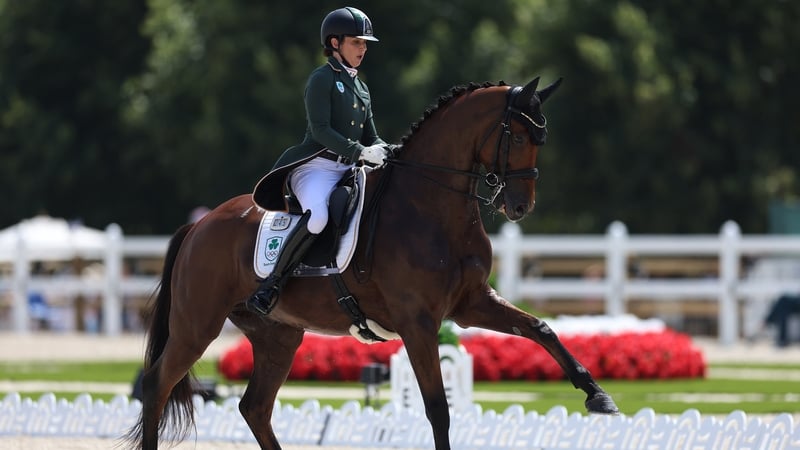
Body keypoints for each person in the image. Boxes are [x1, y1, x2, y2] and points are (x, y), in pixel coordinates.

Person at [247, 6, 395, 315]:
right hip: (316, 166)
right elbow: (320, 130)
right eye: (356, 42)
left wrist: (390, 150)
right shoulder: (322, 78)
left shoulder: (361, 88)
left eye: (365, 43)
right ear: (335, 42)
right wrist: (360, 152)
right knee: (318, 217)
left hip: (349, 169)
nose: (363, 49)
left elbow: (373, 136)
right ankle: (271, 285)